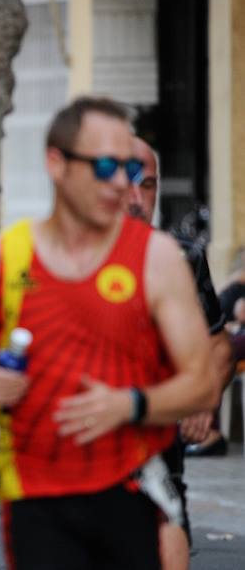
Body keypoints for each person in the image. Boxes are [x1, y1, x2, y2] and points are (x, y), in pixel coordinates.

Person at [0, 96, 218, 570]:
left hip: (130, 488)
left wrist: (132, 404)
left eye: (130, 170)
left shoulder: (156, 258)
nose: (122, 184)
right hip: (37, 497)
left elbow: (202, 381)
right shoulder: (3, 257)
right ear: (56, 164)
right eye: (104, 166)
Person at [128, 137, 232, 570]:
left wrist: (205, 396)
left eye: (148, 185)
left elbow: (218, 340)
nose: (137, 198)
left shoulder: (183, 259)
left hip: (157, 453)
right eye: (126, 183)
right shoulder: (57, 258)